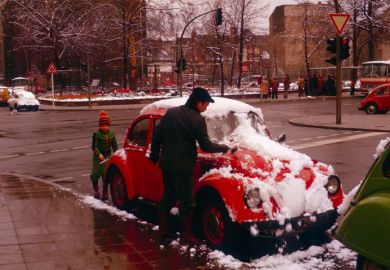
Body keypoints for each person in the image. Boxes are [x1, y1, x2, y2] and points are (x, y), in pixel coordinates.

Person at [149, 87, 232, 243]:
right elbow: (206, 146)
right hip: (183, 167)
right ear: (198, 102)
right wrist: (224, 148)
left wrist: (154, 156)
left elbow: (157, 137)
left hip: (167, 164)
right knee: (186, 201)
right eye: (206, 104)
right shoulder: (197, 119)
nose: (206, 107)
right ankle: (186, 236)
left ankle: (163, 231)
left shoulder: (171, 113)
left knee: (168, 197)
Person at [91, 111, 118, 200]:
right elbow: (94, 147)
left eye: (106, 126)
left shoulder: (112, 134)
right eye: (103, 126)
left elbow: (115, 146)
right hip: (98, 157)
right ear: (100, 126)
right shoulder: (97, 134)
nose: (105, 127)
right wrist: (99, 154)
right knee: (95, 173)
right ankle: (96, 189)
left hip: (107, 156)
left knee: (106, 175)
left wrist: (116, 154)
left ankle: (105, 191)